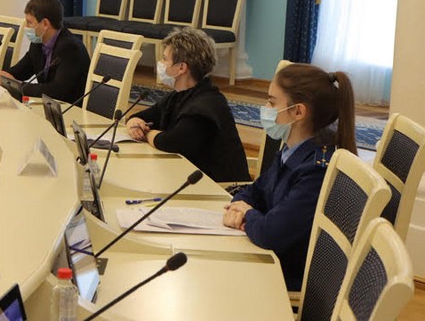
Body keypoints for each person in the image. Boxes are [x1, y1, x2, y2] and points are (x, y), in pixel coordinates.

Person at [223, 63, 356, 291]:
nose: (266, 108)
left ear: (298, 112)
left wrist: (247, 213)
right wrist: (240, 207)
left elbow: (271, 234)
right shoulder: (292, 149)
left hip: (286, 275)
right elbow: (255, 190)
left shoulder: (316, 170)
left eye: (272, 102)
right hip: (270, 257)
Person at [125, 27, 250, 182]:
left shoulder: (207, 105)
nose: (161, 64)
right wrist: (134, 122)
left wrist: (147, 133)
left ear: (181, 68)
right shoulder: (178, 95)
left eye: (165, 59)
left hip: (220, 188)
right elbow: (142, 116)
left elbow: (170, 142)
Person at [0, 0, 90, 104]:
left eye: (29, 22)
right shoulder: (38, 42)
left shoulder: (70, 48)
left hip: (70, 108)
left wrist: (15, 85)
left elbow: (57, 91)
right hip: (50, 105)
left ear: (45, 24)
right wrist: (1, 78)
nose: (26, 27)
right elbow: (22, 70)